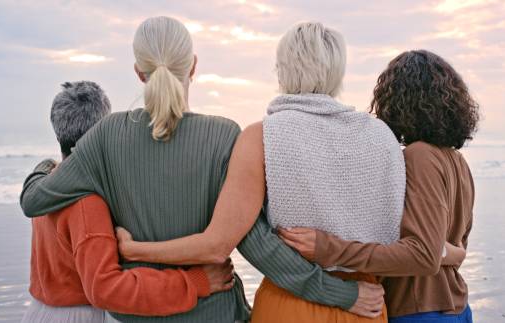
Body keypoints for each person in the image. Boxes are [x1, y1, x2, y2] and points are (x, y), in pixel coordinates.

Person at [20, 17, 373, 323]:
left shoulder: (106, 135)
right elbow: (259, 245)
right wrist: (341, 294)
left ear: (138, 72)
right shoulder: (224, 135)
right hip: (215, 312)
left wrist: (44, 167)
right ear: (192, 66)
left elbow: (35, 201)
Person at [114, 22, 429, 323]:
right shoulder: (382, 138)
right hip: (367, 303)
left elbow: (234, 237)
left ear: (282, 69)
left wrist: (133, 249)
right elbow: (398, 241)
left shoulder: (260, 136)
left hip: (289, 301)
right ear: (338, 71)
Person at [276, 50, 479, 323]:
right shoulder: (458, 163)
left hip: (419, 310)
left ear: (397, 101)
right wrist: (443, 251)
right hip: (456, 308)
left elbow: (424, 254)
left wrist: (329, 248)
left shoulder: (419, 156)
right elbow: (452, 249)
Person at [21, 81, 235, 323]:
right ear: (102, 131)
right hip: (82, 315)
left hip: (39, 312)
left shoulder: (48, 186)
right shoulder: (86, 203)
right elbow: (106, 289)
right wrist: (196, 283)